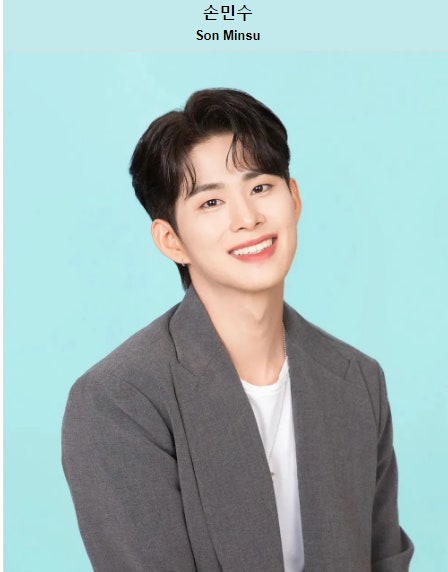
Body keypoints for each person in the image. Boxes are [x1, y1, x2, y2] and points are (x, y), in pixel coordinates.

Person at [62, 88, 414, 572]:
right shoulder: (119, 400)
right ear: (171, 240)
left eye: (261, 187)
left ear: (294, 198)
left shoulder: (358, 380)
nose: (247, 218)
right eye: (211, 202)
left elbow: (385, 559)